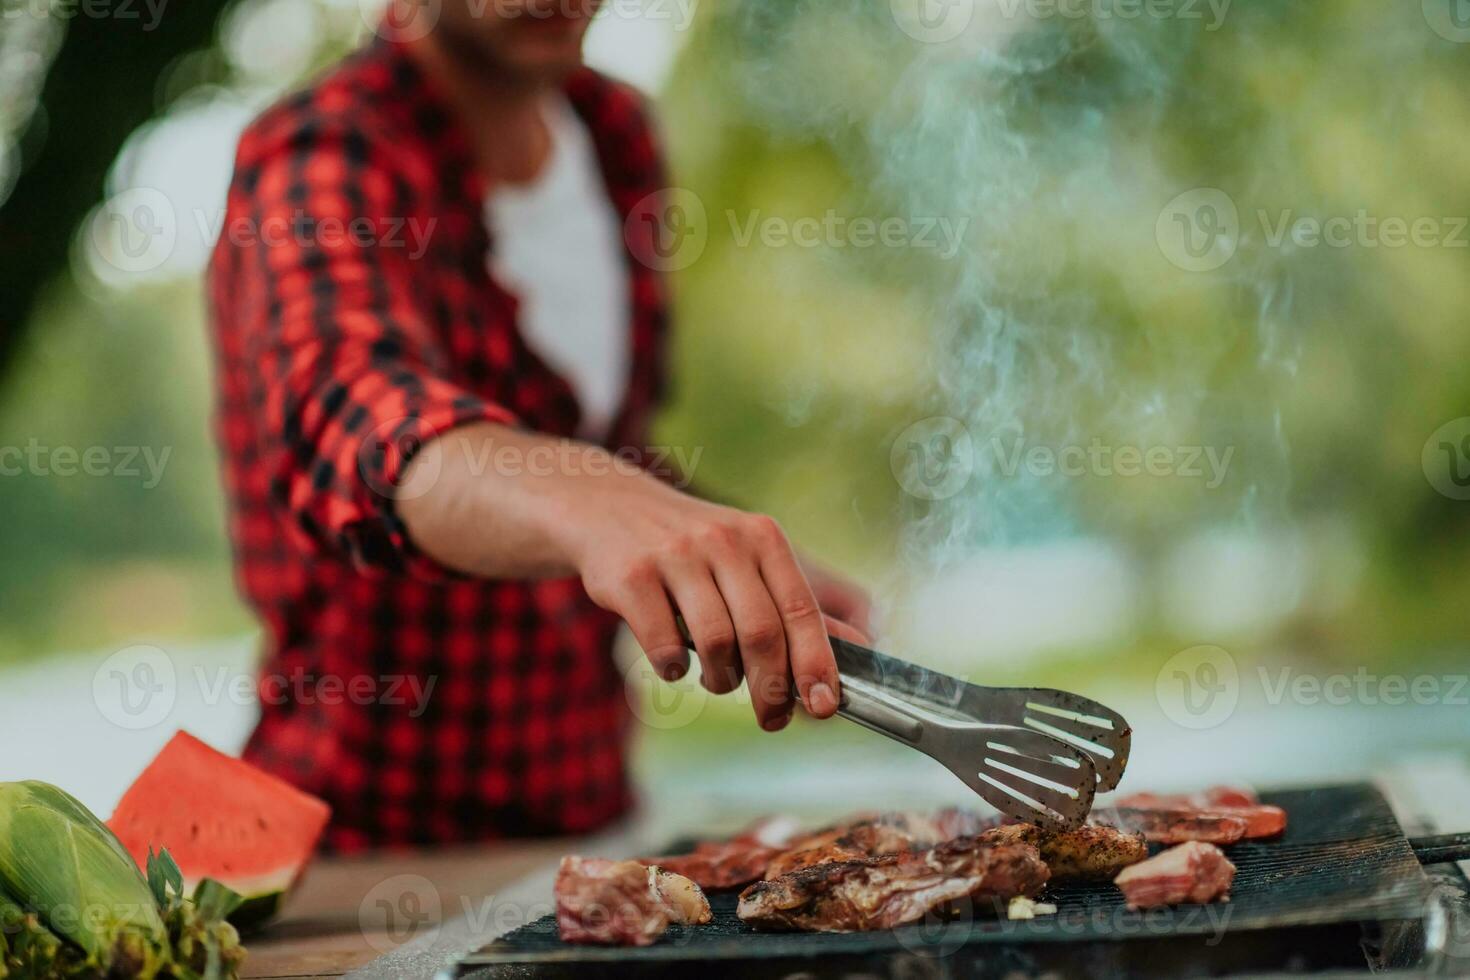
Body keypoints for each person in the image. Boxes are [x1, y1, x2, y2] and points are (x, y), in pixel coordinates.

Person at [206, 0, 872, 850]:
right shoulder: (321, 155)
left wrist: (722, 549)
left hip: (590, 824)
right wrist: (599, 501)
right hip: (360, 849)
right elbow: (355, 419)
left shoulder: (616, 133)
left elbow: (599, 450)